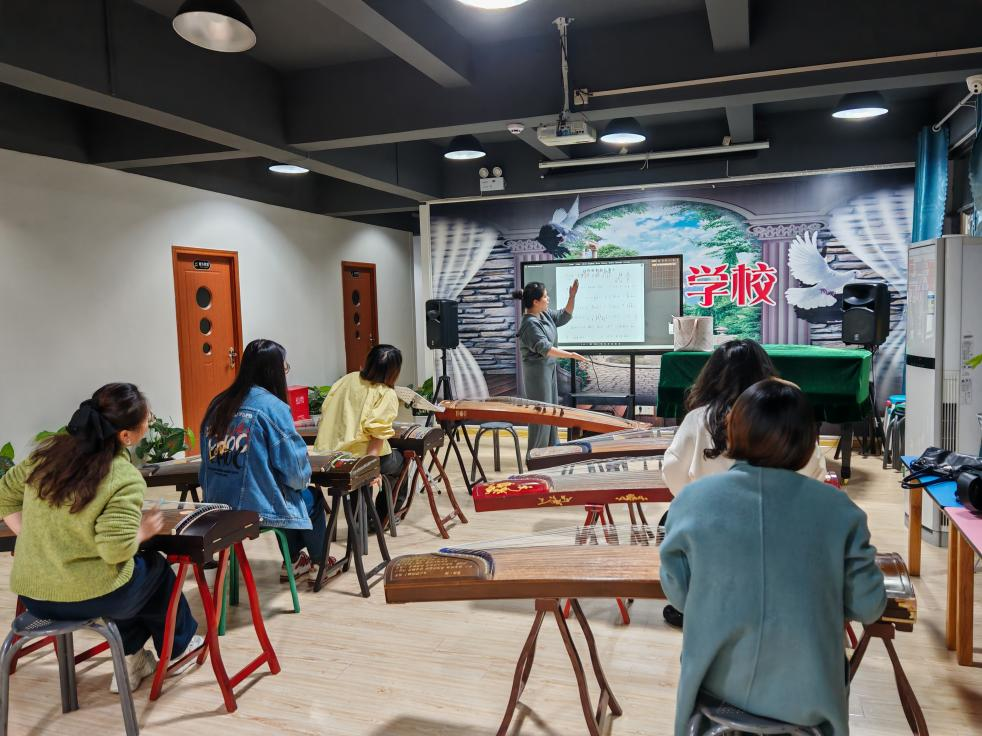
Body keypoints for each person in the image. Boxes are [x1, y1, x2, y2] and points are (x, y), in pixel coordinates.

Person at [660, 378, 886, 736]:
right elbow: (869, 605)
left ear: (732, 432)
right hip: (809, 693)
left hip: (715, 681)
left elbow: (678, 594)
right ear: (808, 441)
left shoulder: (691, 501)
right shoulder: (839, 510)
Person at [0, 383, 202, 694]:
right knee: (154, 571)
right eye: (147, 419)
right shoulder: (122, 476)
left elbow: (4, 494)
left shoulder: (45, 456)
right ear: (126, 436)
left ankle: (133, 659)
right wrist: (144, 530)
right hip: (86, 598)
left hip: (34, 596)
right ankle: (178, 648)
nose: (150, 422)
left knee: (126, 575)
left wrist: (30, 538)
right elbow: (114, 550)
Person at [660, 339, 829, 629]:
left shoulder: (700, 418)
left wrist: (697, 498)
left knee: (672, 520)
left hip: (712, 534)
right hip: (782, 534)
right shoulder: (786, 418)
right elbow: (815, 473)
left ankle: (697, 601)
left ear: (712, 375)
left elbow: (674, 474)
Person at [199, 339, 325, 584]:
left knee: (283, 494)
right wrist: (302, 480)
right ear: (273, 371)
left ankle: (294, 560)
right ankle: (319, 563)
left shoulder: (218, 403)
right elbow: (295, 472)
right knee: (310, 497)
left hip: (217, 506)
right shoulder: (272, 407)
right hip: (256, 509)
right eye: (284, 367)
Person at [314, 344, 405, 524]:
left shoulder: (347, 379)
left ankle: (360, 521)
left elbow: (326, 409)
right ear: (394, 372)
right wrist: (372, 467)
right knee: (400, 462)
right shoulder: (386, 393)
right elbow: (377, 434)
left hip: (330, 453)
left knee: (359, 471)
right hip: (359, 458)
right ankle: (383, 518)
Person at [512, 280, 587, 457]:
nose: (548, 299)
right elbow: (545, 348)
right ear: (535, 302)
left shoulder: (543, 314)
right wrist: (570, 355)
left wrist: (572, 296)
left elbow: (564, 316)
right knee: (541, 415)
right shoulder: (529, 324)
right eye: (545, 296)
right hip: (537, 374)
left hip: (549, 370)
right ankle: (535, 456)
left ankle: (551, 451)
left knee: (551, 411)